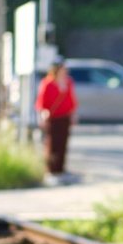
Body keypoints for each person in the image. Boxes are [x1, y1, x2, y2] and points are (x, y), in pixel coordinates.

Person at [35, 57, 78, 186]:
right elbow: (41, 101)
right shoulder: (47, 83)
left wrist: (73, 113)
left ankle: (61, 170)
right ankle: (51, 171)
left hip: (65, 117)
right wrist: (42, 113)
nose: (64, 71)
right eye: (62, 68)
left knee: (63, 143)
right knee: (52, 144)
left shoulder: (68, 82)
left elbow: (72, 99)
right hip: (52, 118)